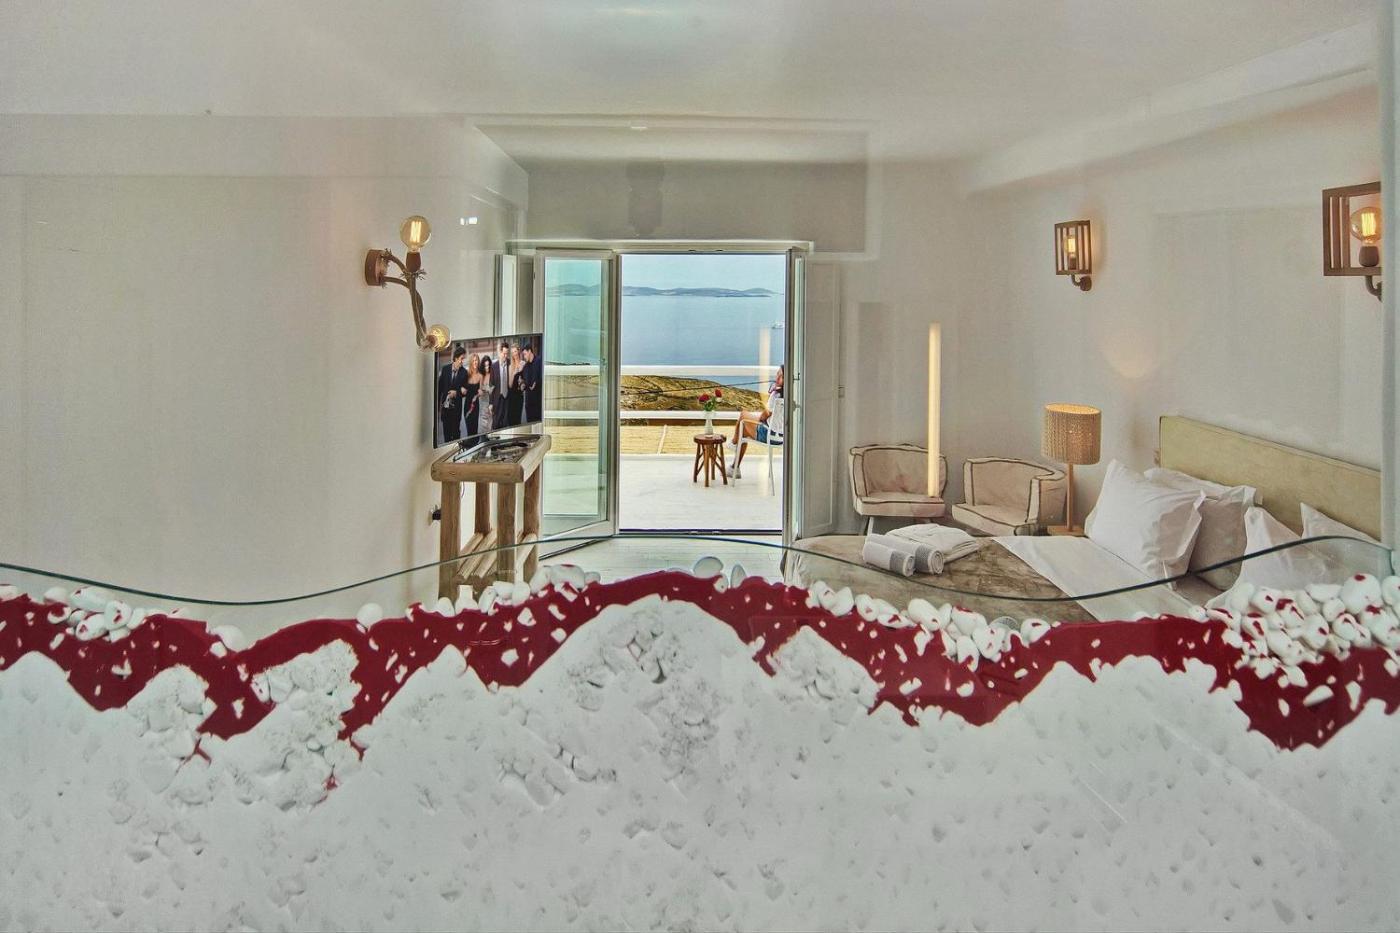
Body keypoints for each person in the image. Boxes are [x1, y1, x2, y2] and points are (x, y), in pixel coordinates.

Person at [731, 366, 783, 478]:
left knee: (743, 415)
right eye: (777, 374)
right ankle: (734, 467)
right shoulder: (793, 394)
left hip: (767, 436)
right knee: (744, 430)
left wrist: (760, 419)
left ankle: (734, 444)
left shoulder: (776, 395)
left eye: (781, 376)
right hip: (782, 439)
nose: (778, 378)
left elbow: (765, 415)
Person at [438, 344, 469, 443]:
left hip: (456, 410)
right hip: (445, 409)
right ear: (455, 358)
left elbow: (465, 391)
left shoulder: (464, 372)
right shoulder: (445, 369)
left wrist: (457, 393)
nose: (463, 361)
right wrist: (438, 407)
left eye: (464, 359)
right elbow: (439, 389)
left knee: (456, 434)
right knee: (446, 435)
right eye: (461, 358)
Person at [492, 340, 512, 430]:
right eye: (504, 353)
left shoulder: (510, 363)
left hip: (507, 398)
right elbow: (491, 385)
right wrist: (491, 403)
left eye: (507, 354)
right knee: (496, 424)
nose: (505, 356)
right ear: (500, 352)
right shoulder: (494, 366)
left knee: (506, 424)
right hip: (498, 398)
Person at [521, 343, 542, 423]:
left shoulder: (539, 361)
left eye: (525, 354)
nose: (524, 356)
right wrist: (522, 385)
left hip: (538, 402)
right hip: (529, 404)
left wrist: (536, 382)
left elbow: (543, 377)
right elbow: (523, 381)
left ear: (529, 351)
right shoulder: (525, 367)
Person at [463, 351, 482, 439]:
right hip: (467, 406)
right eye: (473, 360)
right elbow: (461, 386)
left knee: (474, 429)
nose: (475, 362)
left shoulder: (480, 376)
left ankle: (475, 444)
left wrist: (480, 392)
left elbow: (480, 391)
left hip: (475, 406)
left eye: (476, 360)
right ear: (471, 362)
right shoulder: (466, 374)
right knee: (469, 429)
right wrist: (461, 388)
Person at [476, 355, 495, 437]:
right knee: (483, 429)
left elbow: (495, 389)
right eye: (485, 366)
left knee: (491, 428)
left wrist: (489, 390)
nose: (487, 368)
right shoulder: (480, 375)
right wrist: (479, 391)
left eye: (488, 365)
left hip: (491, 403)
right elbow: (478, 390)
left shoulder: (493, 374)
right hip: (482, 404)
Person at [507, 344, 525, 427]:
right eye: (513, 352)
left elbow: (525, 381)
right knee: (511, 419)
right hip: (511, 396)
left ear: (518, 351)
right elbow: (510, 385)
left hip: (519, 395)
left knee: (517, 419)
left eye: (515, 351)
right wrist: (514, 373)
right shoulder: (510, 366)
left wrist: (522, 383)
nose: (514, 354)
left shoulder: (523, 364)